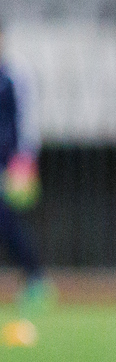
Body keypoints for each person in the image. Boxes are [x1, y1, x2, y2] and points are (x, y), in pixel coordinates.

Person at [0, 23, 53, 317]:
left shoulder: (15, 73)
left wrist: (25, 157)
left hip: (11, 163)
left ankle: (36, 279)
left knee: (8, 220)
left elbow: (27, 116)